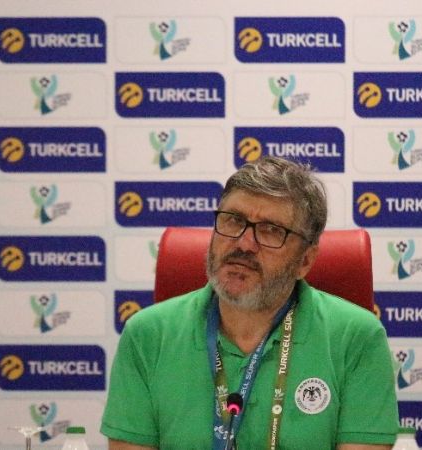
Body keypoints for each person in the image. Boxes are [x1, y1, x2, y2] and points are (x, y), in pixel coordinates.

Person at [101, 156, 399, 449]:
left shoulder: (357, 338)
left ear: (305, 261)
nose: (244, 243)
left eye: (271, 230)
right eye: (233, 220)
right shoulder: (147, 335)